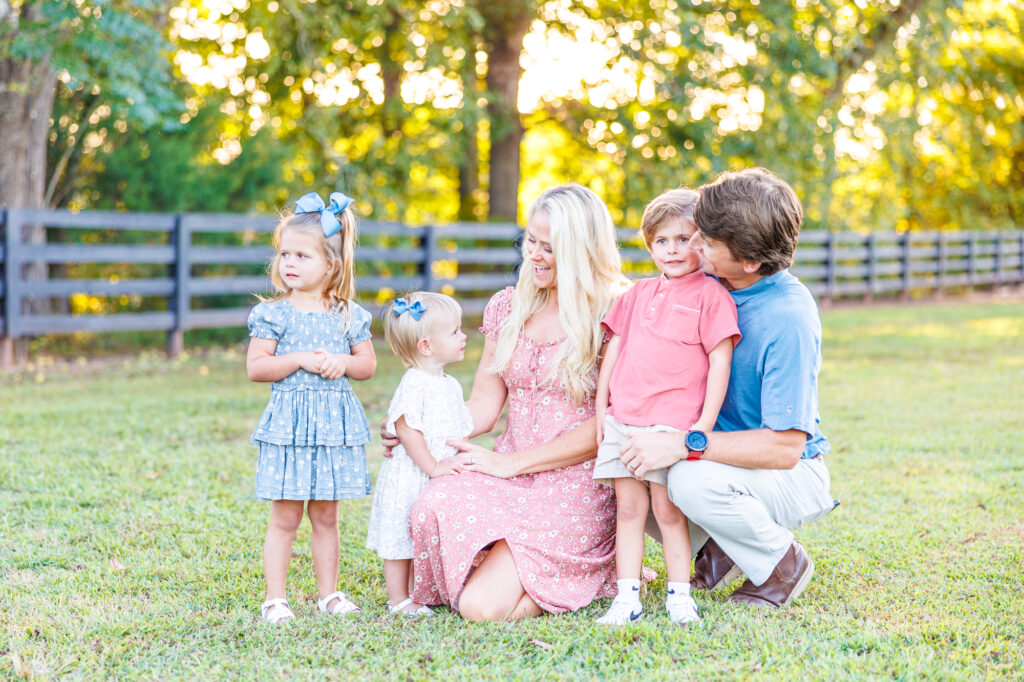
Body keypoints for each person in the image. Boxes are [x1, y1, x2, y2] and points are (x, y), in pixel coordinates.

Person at [386, 184, 630, 621]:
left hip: (575, 484)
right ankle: (514, 560)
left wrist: (511, 465)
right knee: (432, 503)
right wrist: (418, 431)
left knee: (478, 607)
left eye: (549, 248)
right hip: (508, 471)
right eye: (530, 241)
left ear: (580, 251)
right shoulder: (507, 307)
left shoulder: (613, 315)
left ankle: (586, 571)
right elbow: (483, 403)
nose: (533, 255)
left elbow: (606, 424)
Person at [619, 168, 836, 609]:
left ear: (750, 261)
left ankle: (783, 565)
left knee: (686, 478)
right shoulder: (709, 283)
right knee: (626, 463)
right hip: (721, 458)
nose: (694, 244)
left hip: (789, 470)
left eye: (707, 241)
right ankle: (720, 548)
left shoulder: (787, 318)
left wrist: (683, 443)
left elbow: (785, 448)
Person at [592, 189, 740, 626]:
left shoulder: (712, 296)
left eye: (683, 239)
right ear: (649, 245)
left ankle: (679, 595)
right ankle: (626, 598)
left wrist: (703, 426)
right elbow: (613, 352)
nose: (672, 250)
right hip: (623, 420)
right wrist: (602, 410)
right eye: (661, 241)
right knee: (628, 511)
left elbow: (720, 362)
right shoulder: (637, 293)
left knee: (668, 511)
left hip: (670, 428)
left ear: (703, 243)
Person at [246, 191, 377, 624]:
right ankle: (275, 599)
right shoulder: (274, 314)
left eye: (302, 255)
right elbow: (257, 367)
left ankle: (329, 595)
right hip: (290, 429)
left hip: (331, 430)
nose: (289, 263)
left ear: (331, 265)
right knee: (285, 517)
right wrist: (299, 359)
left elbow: (367, 365)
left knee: (326, 516)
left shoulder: (348, 315)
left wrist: (343, 362)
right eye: (285, 254)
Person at [366, 292, 473, 617]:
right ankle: (398, 598)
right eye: (455, 331)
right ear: (426, 346)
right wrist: (434, 466)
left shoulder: (449, 383)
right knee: (400, 536)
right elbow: (408, 430)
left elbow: (455, 427)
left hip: (435, 472)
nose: (464, 336)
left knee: (420, 534)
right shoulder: (415, 382)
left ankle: (418, 590)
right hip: (412, 473)